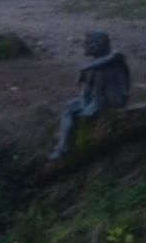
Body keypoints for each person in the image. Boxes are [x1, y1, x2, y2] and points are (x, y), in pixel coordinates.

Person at [50, 28, 132, 161]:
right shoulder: (93, 65)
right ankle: (62, 147)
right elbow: (87, 88)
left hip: (115, 98)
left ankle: (96, 104)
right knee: (69, 107)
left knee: (101, 69)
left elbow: (103, 62)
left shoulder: (116, 56)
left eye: (88, 43)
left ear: (98, 45)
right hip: (97, 97)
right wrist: (83, 99)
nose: (85, 46)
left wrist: (86, 69)